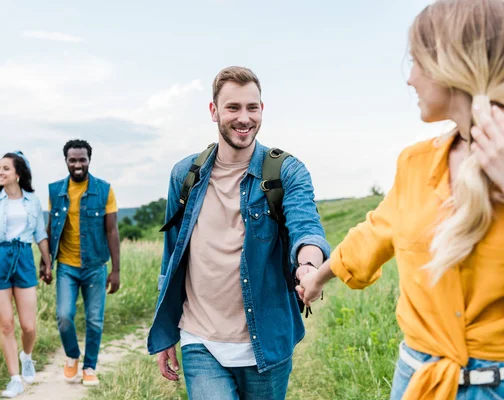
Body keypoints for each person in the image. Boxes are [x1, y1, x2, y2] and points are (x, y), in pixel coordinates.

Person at [296, 0, 504, 399]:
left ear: (452, 64)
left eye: (417, 62)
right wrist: (314, 279)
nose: (410, 79)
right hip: (417, 381)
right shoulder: (415, 163)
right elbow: (372, 236)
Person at [147, 66, 330, 399]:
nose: (244, 118)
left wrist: (309, 268)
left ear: (262, 110)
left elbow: (306, 228)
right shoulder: (185, 176)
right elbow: (172, 257)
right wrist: (166, 331)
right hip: (200, 339)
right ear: (214, 111)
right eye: (233, 108)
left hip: (267, 342)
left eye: (252, 107)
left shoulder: (286, 171)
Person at [0, 151, 51, 398]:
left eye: (5, 168)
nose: (0, 172)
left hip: (24, 259)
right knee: (6, 324)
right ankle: (14, 378)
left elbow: (40, 235)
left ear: (18, 173)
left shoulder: (33, 201)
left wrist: (47, 263)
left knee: (28, 325)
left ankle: (26, 356)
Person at [42, 139, 121, 386]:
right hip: (66, 265)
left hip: (96, 266)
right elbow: (51, 228)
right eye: (73, 160)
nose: (78, 164)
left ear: (89, 160)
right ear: (66, 161)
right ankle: (73, 356)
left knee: (94, 319)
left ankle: (89, 367)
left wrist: (116, 269)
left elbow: (112, 231)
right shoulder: (55, 190)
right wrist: (45, 263)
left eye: (82, 159)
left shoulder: (104, 189)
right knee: (64, 316)